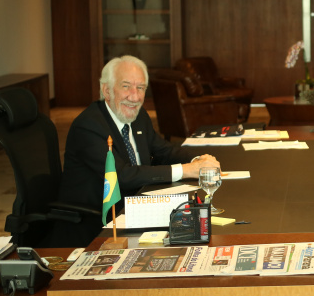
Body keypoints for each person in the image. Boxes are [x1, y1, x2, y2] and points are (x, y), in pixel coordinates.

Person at [55, 55, 220, 247]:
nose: (134, 96)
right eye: (126, 86)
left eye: (140, 88)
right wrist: (186, 170)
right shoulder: (89, 126)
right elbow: (122, 175)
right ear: (106, 90)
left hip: (136, 206)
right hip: (99, 223)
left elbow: (163, 151)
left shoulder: (138, 115)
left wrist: (200, 159)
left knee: (195, 230)